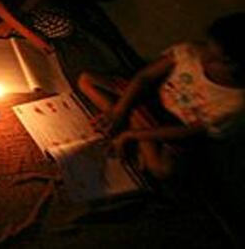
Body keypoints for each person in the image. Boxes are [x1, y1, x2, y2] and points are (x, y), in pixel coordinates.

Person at [78, 13, 245, 180]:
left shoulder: (235, 102)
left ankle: (131, 126)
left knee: (161, 170)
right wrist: (119, 110)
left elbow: (187, 131)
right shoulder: (190, 51)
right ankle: (121, 118)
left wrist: (131, 135)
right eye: (208, 46)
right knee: (86, 80)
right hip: (150, 99)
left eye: (217, 59)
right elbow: (145, 77)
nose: (206, 57)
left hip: (172, 125)